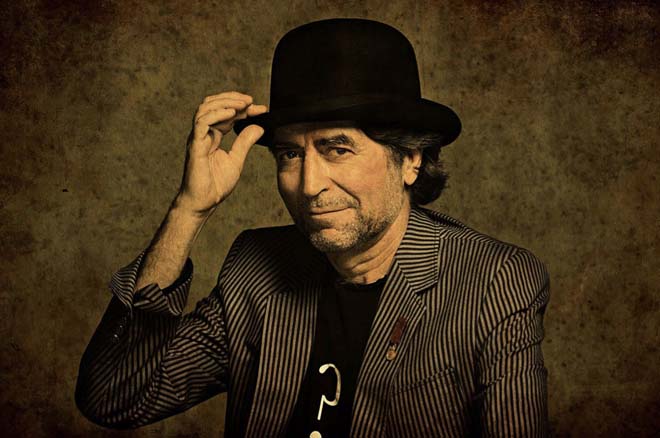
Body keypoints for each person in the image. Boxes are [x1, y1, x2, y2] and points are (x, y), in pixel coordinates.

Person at [76, 18, 550, 437]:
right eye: (290, 154)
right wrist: (189, 210)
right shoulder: (255, 269)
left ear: (410, 159)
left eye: (337, 149)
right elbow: (114, 399)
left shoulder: (494, 281)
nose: (308, 185)